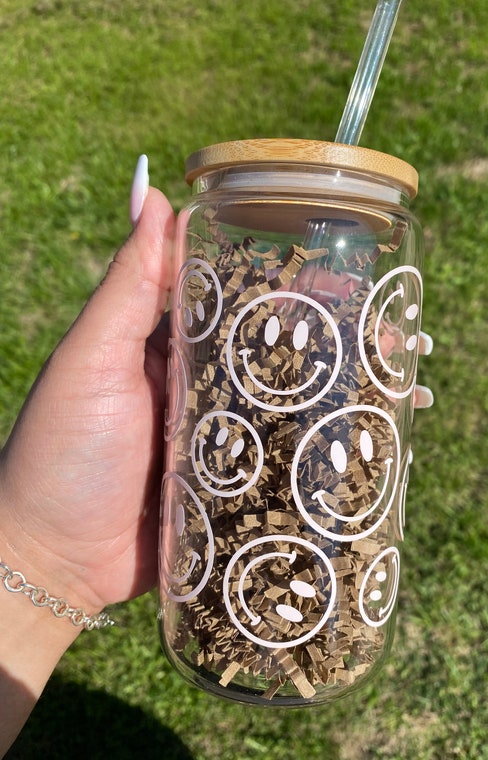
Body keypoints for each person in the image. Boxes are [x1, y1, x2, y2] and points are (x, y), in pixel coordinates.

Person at [0, 156, 433, 755]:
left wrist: (39, 558)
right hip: (218, 551)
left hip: (314, 595)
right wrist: (38, 557)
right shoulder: (210, 225)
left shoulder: (389, 229)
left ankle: (327, 637)